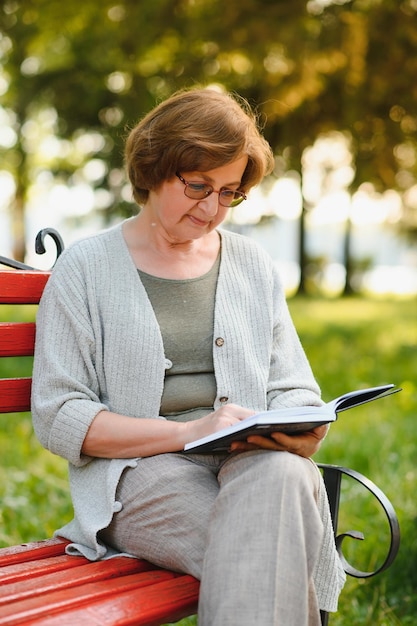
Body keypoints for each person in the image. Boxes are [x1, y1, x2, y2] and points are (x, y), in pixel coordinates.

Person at [32, 86, 346, 625]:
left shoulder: (252, 265)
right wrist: (190, 431)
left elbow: (293, 386)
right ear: (155, 167)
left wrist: (304, 424)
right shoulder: (85, 269)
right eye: (198, 186)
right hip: (140, 474)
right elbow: (60, 417)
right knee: (273, 542)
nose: (211, 209)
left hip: (252, 463)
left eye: (229, 193)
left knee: (284, 480)